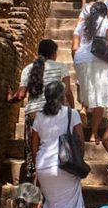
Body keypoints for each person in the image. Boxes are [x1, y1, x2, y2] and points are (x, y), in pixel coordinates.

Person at [30, 82, 88, 208]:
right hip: (65, 166)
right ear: (63, 96)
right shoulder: (72, 114)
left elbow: (34, 146)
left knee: (51, 207)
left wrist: (37, 170)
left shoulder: (39, 117)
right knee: (72, 207)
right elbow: (80, 140)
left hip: (44, 166)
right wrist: (78, 162)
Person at [9, 39, 75, 182]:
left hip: (33, 113)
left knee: (33, 151)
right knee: (54, 148)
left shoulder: (28, 69)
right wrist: (72, 108)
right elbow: (68, 92)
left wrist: (10, 97)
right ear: (54, 53)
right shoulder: (61, 67)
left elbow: (20, 95)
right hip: (54, 113)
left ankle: (33, 182)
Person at [72, 1, 108, 142]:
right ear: (104, 12)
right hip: (100, 60)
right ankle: (93, 134)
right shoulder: (107, 23)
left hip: (81, 59)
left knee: (87, 88)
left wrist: (76, 62)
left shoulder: (81, 25)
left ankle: (83, 109)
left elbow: (74, 47)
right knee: (100, 98)